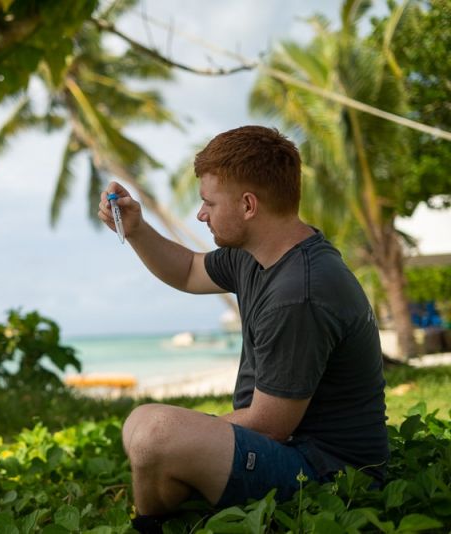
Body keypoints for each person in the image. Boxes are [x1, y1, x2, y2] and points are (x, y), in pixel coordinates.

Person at [98, 125, 388, 533]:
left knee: (154, 434)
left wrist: (185, 436)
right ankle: (179, 498)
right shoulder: (257, 255)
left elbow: (271, 424)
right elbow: (186, 270)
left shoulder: (300, 291)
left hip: (328, 477)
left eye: (208, 203)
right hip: (286, 446)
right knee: (142, 428)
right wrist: (138, 228)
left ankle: (151, 524)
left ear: (248, 205)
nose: (201, 214)